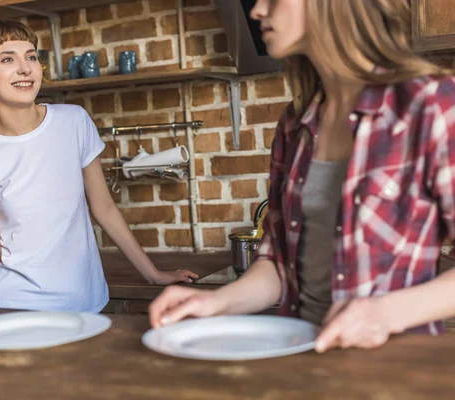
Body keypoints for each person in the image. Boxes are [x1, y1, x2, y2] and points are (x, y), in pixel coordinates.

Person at [149, 0, 455, 352]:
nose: (257, 10)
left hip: (394, 372)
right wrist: (216, 303)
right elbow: (279, 264)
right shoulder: (294, 125)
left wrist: (386, 313)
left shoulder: (431, 105)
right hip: (303, 361)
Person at [0, 20, 197, 313]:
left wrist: (153, 273)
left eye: (31, 57)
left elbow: (104, 209)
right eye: (7, 59)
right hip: (16, 307)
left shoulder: (74, 121)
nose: (24, 69)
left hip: (87, 300)